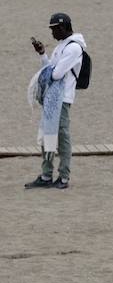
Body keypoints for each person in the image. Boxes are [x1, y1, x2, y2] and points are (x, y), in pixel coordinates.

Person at [25, 13, 88, 191]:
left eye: (54, 29)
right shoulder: (62, 46)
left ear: (63, 28)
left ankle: (63, 176)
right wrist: (42, 54)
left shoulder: (74, 48)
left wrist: (50, 70)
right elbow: (49, 67)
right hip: (52, 98)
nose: (52, 33)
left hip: (63, 98)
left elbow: (55, 74)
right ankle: (46, 176)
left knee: (62, 138)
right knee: (48, 136)